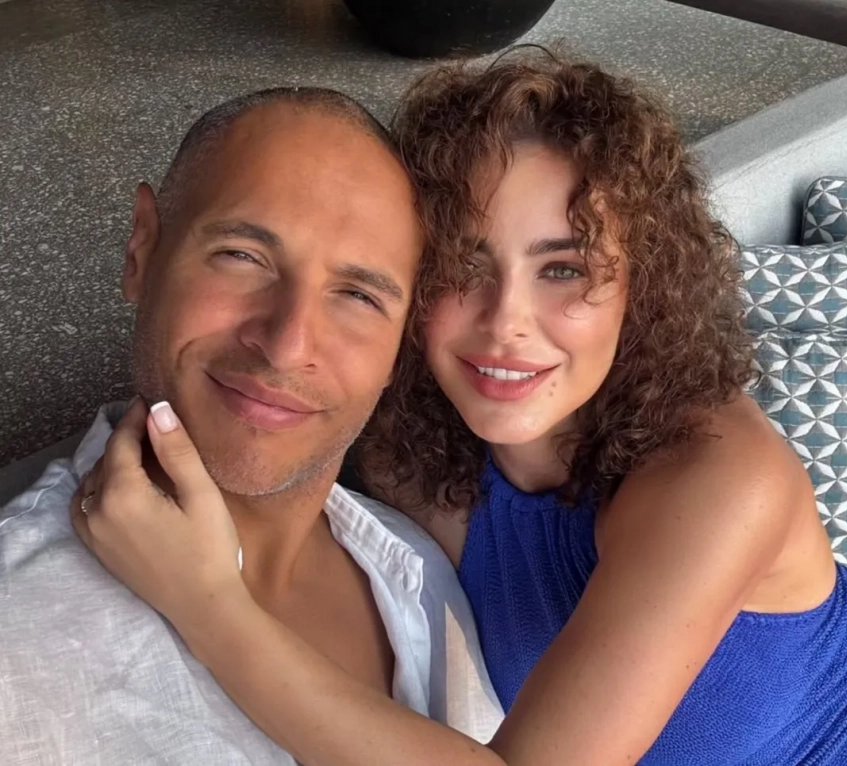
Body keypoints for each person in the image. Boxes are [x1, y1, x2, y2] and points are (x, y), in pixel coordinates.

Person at [74, 52, 847, 765]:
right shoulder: (412, 448)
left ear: (641, 286)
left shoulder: (721, 478)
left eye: (563, 269)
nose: (506, 322)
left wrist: (206, 602)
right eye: (462, 267)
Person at [0, 87, 502, 766]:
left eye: (358, 295)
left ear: (402, 346)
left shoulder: (420, 571)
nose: (288, 345)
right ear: (141, 250)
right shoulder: (15, 637)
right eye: (242, 256)